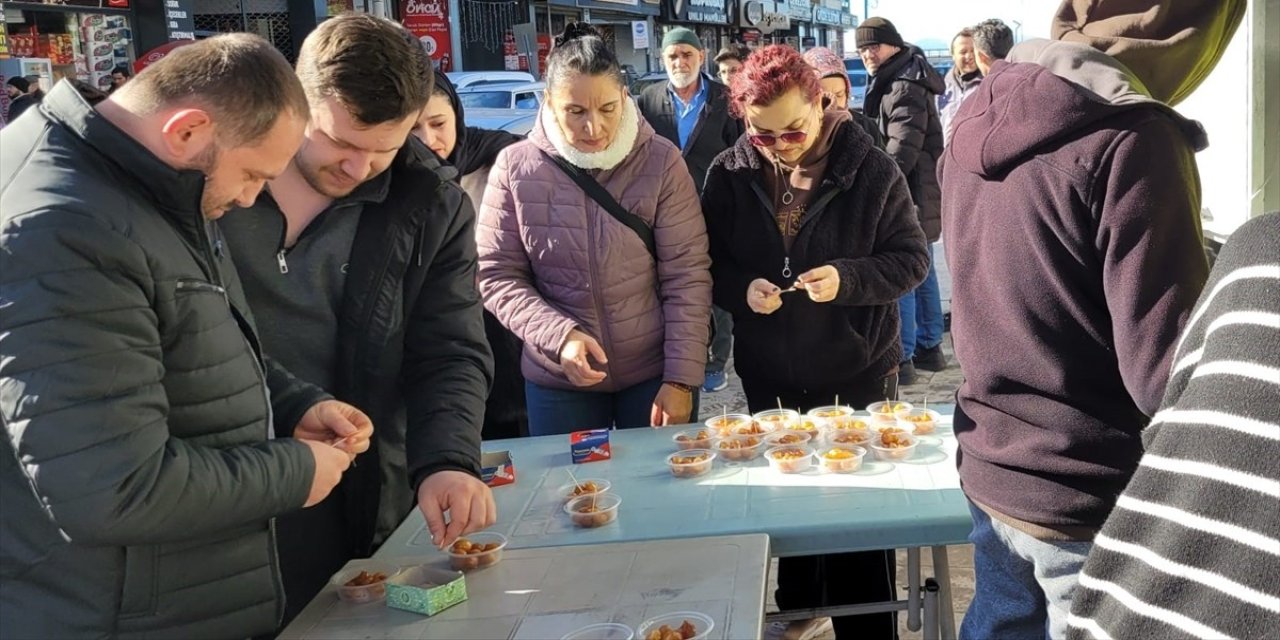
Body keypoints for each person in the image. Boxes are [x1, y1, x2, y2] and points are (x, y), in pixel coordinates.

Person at [0, 34, 372, 638]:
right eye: (252, 175)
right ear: (188, 131)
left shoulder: (140, 183)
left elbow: (191, 337)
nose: (252, 197)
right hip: (109, 610)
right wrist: (294, 472)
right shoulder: (66, 227)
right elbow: (111, 489)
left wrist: (296, 405)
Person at [939, 0, 1245, 631]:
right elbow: (1164, 375)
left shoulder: (979, 106)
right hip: (1086, 492)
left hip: (992, 464)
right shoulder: (1135, 137)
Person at [216, 15, 496, 624]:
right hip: (218, 488)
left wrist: (447, 460)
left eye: (384, 150)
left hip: (360, 485)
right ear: (295, 101)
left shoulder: (429, 202)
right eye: (340, 143)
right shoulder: (211, 178)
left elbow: (449, 348)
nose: (357, 168)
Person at [702, 44, 929, 640]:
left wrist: (848, 278)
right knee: (790, 497)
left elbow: (910, 261)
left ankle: (867, 628)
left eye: (792, 130)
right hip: (769, 370)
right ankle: (798, 606)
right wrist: (740, 288)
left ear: (822, 102)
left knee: (857, 515)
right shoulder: (729, 172)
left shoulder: (871, 169)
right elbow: (709, 263)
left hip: (854, 365)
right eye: (763, 136)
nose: (780, 146)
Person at [478, 23, 712, 436]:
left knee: (666, 489)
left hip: (653, 371)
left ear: (625, 97)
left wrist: (681, 378)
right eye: (576, 111)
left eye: (607, 109)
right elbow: (496, 274)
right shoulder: (516, 167)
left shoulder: (661, 161)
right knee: (570, 494)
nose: (594, 128)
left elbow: (687, 274)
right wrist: (559, 336)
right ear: (549, 103)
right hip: (559, 378)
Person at [1066, 211, 1279, 640]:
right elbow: (1153, 383)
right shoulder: (1142, 152)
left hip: (1121, 601)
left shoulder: (1262, 246)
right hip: (1081, 484)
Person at [412, 69, 529, 442]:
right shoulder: (388, 176)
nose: (428, 139)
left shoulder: (497, 157)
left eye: (437, 123)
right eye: (412, 129)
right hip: (434, 331)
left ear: (457, 117)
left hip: (501, 327)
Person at [637, 26, 742, 394]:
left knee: (716, 290)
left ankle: (715, 361)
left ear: (701, 56)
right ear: (663, 59)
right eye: (672, 56)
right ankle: (680, 357)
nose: (680, 62)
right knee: (673, 286)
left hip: (716, 209)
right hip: (664, 212)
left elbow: (743, 153)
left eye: (686, 54)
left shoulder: (727, 99)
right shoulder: (647, 100)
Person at [856, 17, 946, 383]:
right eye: (861, 49)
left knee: (904, 270)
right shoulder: (901, 76)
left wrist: (874, 183)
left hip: (909, 192)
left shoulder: (904, 84)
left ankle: (905, 356)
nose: (867, 54)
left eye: (873, 46)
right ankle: (929, 346)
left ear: (893, 44)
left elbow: (901, 149)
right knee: (922, 270)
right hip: (916, 191)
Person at [801, 46, 884, 147]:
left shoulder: (866, 127)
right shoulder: (795, 132)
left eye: (839, 94)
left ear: (847, 92)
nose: (833, 102)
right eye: (824, 96)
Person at [937, 28, 980, 145]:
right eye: (963, 52)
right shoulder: (941, 88)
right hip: (945, 156)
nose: (970, 56)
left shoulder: (988, 85)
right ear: (953, 55)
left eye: (973, 51)